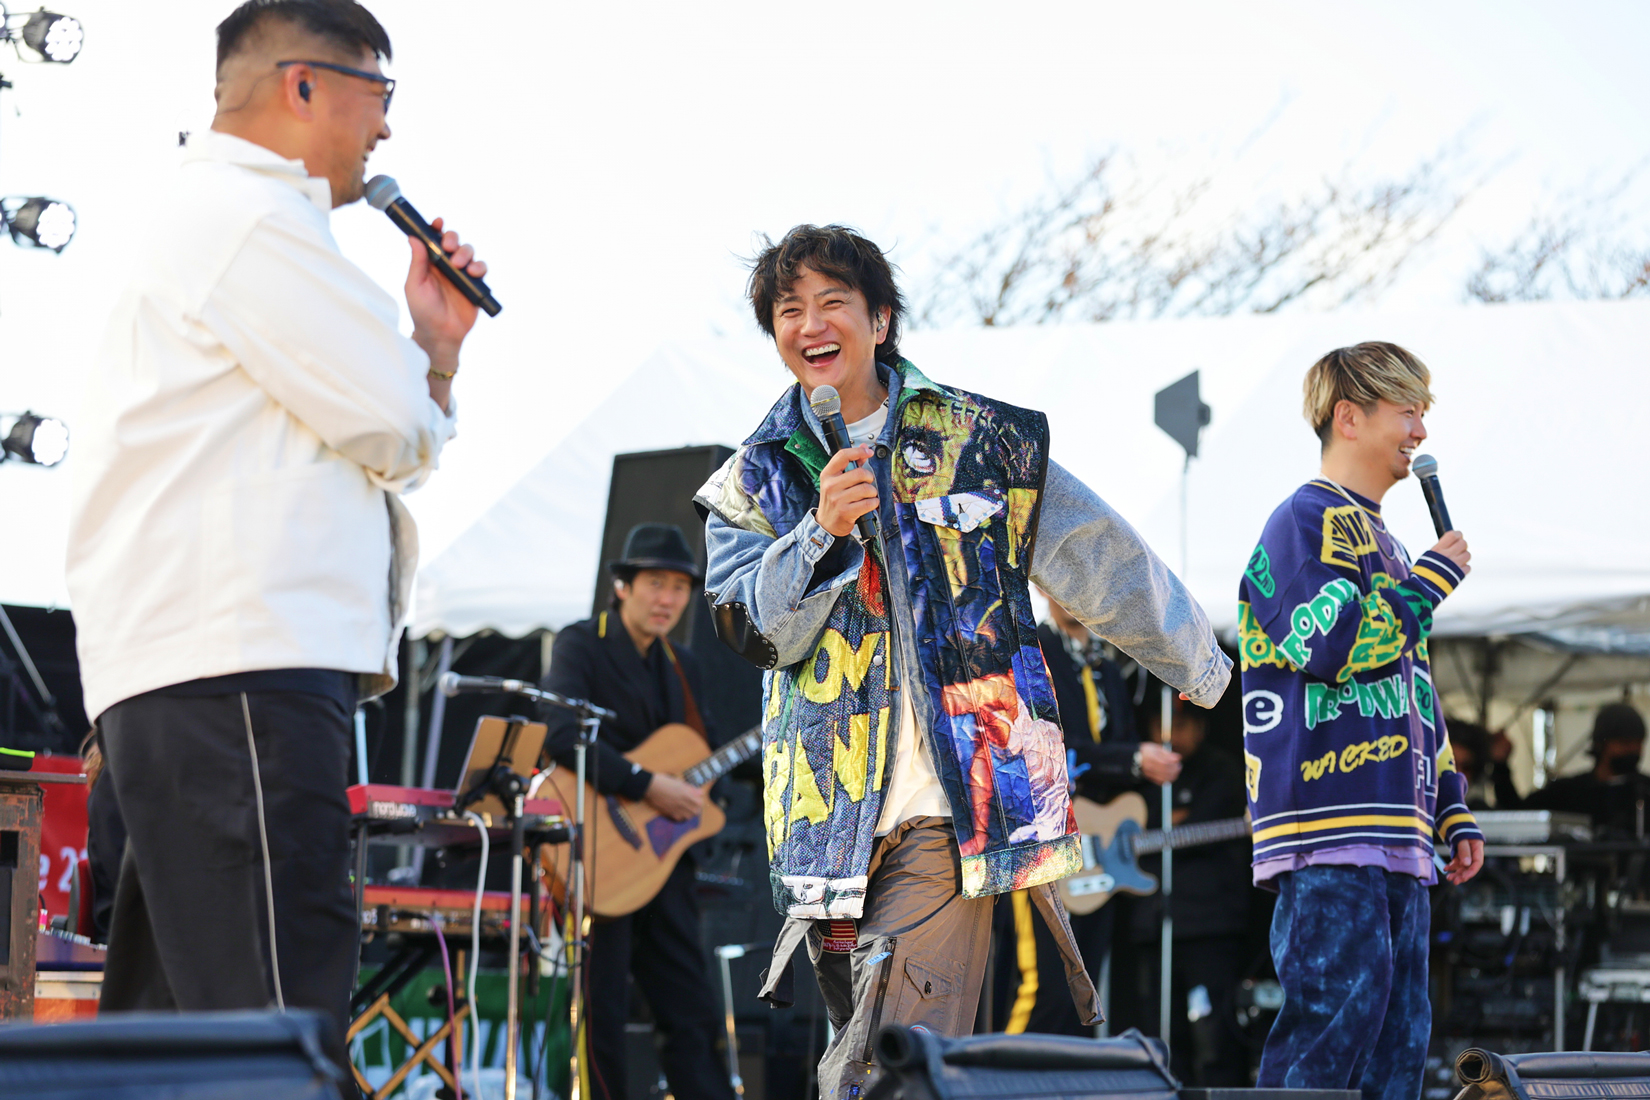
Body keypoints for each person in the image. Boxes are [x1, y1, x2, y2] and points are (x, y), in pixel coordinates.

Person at [696, 224, 1231, 1098]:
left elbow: (1094, 552)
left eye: (832, 302)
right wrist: (819, 532)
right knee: (880, 1061)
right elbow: (752, 634)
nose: (811, 324)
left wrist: (1205, 671)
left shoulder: (979, 441)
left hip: (953, 807)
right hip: (825, 832)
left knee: (889, 1059)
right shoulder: (752, 479)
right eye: (789, 309)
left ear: (880, 319)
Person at [65, 0, 487, 1077]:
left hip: (198, 674)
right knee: (275, 1016)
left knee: (181, 1040)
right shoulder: (250, 218)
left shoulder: (217, 218)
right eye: (378, 92)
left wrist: (432, 353)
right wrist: (426, 365)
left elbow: (387, 427)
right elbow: (392, 425)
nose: (386, 128)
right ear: (304, 84)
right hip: (241, 670)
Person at [1239, 342, 1483, 1100]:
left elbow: (1416, 692)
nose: (1420, 432)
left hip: (1399, 831)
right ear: (1349, 417)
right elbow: (1333, 646)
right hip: (1326, 822)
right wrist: (1429, 584)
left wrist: (1451, 806)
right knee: (1329, 1034)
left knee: (1399, 1043)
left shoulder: (1392, 544)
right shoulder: (1301, 520)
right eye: (1407, 412)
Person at [539, 524, 736, 1100]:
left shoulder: (683, 664)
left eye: (679, 587)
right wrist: (646, 784)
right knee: (600, 1009)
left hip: (663, 860)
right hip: (598, 853)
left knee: (691, 1009)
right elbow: (560, 734)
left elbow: (704, 752)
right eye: (655, 583)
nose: (668, 599)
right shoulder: (581, 644)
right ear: (622, 585)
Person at [992, 590, 1181, 1036]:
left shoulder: (1109, 668)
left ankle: (1066, 1072)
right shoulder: (1029, 653)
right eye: (1064, 584)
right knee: (1040, 983)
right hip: (1039, 841)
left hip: (1096, 848)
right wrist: (1131, 759)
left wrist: (1140, 765)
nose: (1075, 595)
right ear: (1043, 589)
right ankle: (1005, 1071)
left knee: (1086, 991)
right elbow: (1038, 744)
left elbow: (1120, 751)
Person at [1122, 689, 1252, 1087]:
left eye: (1179, 725)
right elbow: (1127, 822)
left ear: (1200, 727)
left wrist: (1164, 824)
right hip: (1152, 924)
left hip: (1208, 926)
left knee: (1213, 1035)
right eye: (1160, 725)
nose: (1169, 735)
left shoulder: (1221, 770)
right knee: (1160, 1032)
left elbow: (1188, 822)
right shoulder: (1141, 779)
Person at [1525, 703, 1650, 835]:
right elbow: (1519, 814)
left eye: (1638, 743)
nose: (1633, 749)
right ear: (1601, 744)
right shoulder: (1569, 791)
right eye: (1624, 743)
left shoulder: (1645, 790)